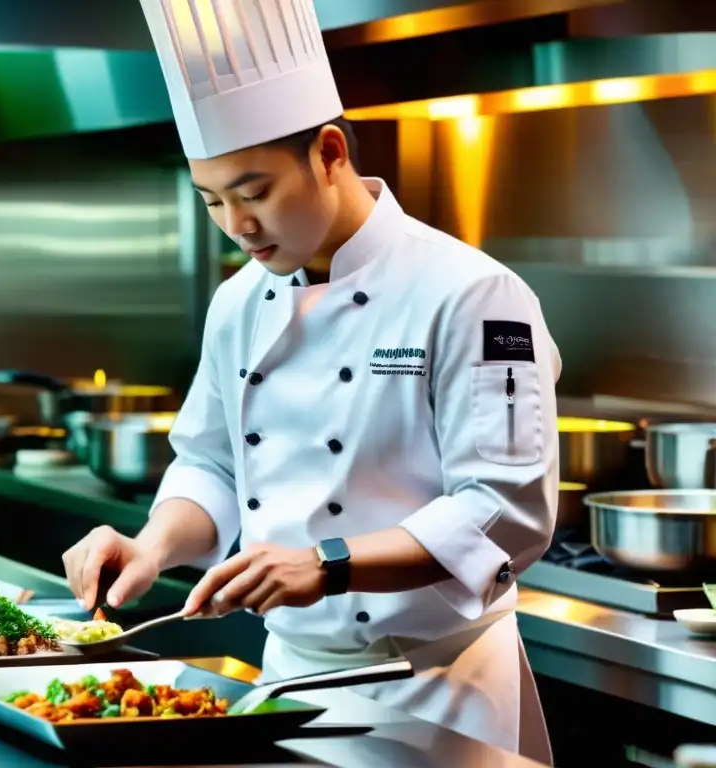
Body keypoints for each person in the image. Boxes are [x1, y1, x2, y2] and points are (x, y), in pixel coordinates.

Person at [63, 2, 558, 763]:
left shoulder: (471, 293)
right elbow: (213, 464)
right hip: (286, 685)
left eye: (254, 192)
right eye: (212, 201)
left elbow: (505, 512)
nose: (237, 225)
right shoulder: (237, 301)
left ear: (329, 152)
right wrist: (152, 545)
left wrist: (327, 563)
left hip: (433, 689)